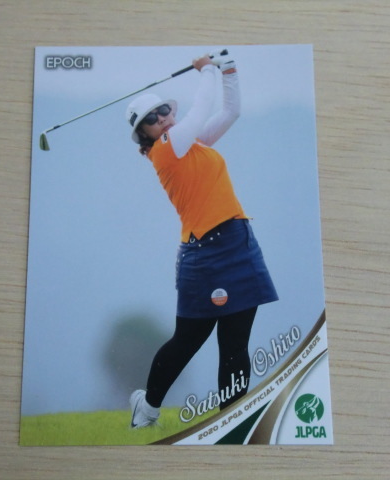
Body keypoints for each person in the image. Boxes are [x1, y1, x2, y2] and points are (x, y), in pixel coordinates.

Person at [125, 52, 278, 429]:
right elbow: (201, 108)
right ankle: (147, 408)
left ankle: (233, 423)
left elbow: (231, 111)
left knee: (236, 343)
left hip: (239, 243)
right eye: (151, 119)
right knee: (190, 339)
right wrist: (206, 70)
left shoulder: (192, 144)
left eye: (163, 110)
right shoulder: (166, 149)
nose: (162, 118)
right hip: (204, 253)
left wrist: (228, 70)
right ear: (145, 134)